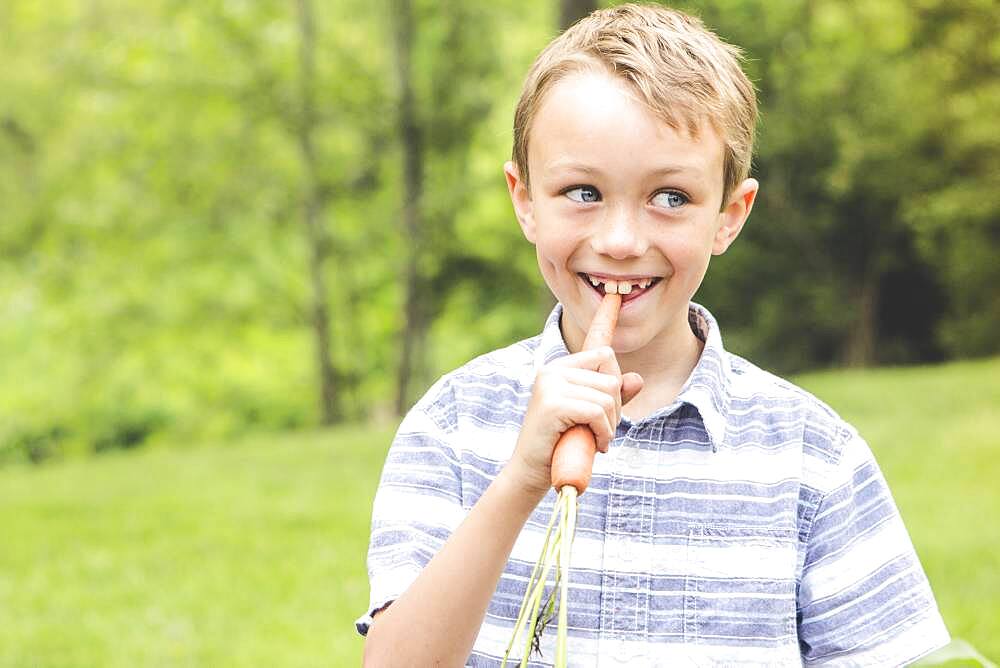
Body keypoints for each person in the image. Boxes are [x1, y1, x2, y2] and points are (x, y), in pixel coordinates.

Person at [357, 4, 950, 665]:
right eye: (582, 191)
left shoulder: (814, 461)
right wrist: (520, 482)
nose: (619, 241)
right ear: (524, 200)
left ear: (729, 215)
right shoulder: (453, 425)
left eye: (670, 197)